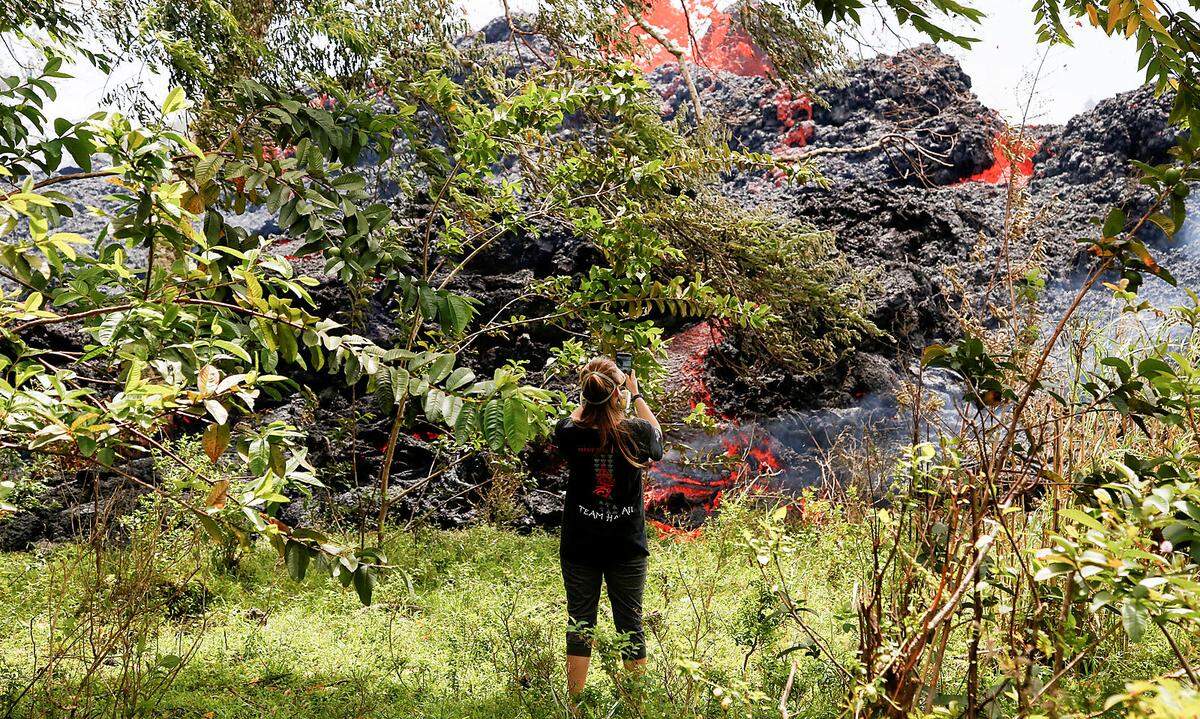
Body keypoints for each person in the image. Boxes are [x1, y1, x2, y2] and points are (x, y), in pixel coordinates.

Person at [554, 356, 663, 699]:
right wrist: (636, 395)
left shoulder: (569, 432)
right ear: (618, 393)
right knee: (630, 622)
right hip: (626, 547)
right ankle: (636, 705)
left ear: (585, 394)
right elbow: (657, 439)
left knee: (580, 622)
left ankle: (574, 705)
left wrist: (594, 400)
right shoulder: (638, 432)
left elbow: (573, 421)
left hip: (579, 545)